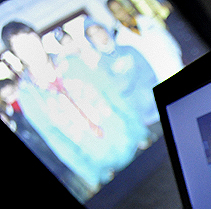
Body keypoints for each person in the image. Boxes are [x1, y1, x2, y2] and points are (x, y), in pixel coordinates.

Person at [1, 21, 149, 197]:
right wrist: (94, 176)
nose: (31, 49)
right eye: (21, 46)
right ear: (15, 54)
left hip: (133, 142)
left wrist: (141, 133)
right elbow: (57, 141)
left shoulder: (73, 63)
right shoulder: (29, 97)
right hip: (105, 168)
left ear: (38, 36)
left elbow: (112, 95)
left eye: (31, 39)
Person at [84, 18, 161, 138]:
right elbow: (119, 89)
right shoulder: (101, 66)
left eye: (98, 30)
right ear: (91, 41)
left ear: (104, 29)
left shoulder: (129, 49)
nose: (98, 36)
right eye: (92, 35)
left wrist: (124, 72)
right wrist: (130, 68)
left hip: (161, 106)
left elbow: (150, 74)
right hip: (145, 121)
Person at [107, 0, 183, 82]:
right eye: (117, 11)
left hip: (175, 63)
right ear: (114, 15)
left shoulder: (146, 20)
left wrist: (178, 56)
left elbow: (168, 38)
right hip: (159, 76)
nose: (121, 11)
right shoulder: (120, 39)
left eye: (121, 7)